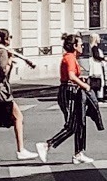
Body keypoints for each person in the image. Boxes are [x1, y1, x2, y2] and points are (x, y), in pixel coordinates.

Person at [0, 27, 38, 164]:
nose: (10, 39)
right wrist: (10, 62)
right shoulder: (3, 52)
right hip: (1, 92)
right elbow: (3, 71)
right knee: (18, 117)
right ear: (5, 39)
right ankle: (21, 150)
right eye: (9, 37)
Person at [37, 33, 93, 164]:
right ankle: (47, 145)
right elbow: (71, 76)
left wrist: (80, 80)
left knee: (80, 122)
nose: (82, 46)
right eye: (80, 44)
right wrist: (84, 85)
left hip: (72, 91)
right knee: (72, 125)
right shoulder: (69, 58)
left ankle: (79, 153)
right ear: (74, 46)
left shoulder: (71, 57)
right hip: (69, 93)